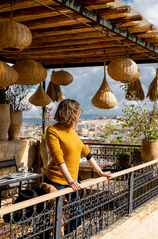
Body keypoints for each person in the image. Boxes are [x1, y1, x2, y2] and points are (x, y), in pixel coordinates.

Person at [44, 99, 111, 234]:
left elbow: (86, 152)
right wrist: (70, 180)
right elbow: (58, 158)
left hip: (71, 183)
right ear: (72, 114)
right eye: (78, 113)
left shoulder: (72, 132)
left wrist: (100, 172)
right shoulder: (52, 130)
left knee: (77, 220)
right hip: (56, 182)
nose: (79, 116)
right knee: (55, 222)